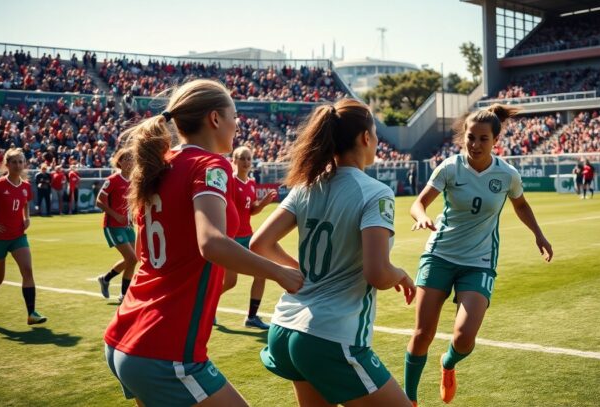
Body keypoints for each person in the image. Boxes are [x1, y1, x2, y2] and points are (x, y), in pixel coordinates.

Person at [103, 79, 304, 407]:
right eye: (234, 116)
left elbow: (145, 252)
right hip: (164, 348)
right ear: (214, 119)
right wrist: (279, 272)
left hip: (125, 335)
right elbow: (211, 242)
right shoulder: (211, 165)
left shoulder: (161, 162)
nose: (237, 125)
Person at [250, 99, 416, 407]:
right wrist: (402, 274)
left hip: (285, 327)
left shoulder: (306, 186)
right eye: (375, 133)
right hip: (329, 335)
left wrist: (300, 271)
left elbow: (260, 244)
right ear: (365, 138)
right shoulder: (376, 192)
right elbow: (378, 273)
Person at [403, 104, 553, 405]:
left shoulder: (507, 174)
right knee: (422, 333)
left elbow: (521, 205)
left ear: (494, 141)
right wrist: (420, 216)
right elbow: (418, 202)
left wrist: (538, 233)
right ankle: (410, 400)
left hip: (479, 262)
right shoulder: (450, 167)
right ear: (464, 137)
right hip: (440, 254)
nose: (475, 144)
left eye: (483, 139)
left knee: (464, 336)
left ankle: (448, 364)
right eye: (471, 137)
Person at [0, 148, 47, 327]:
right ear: (7, 165)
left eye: (21, 162)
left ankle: (31, 314)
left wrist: (27, 217)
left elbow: (25, 204)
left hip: (18, 237)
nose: (18, 165)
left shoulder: (26, 186)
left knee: (27, 270)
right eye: (14, 162)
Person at [219, 146, 277, 329]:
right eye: (242, 158)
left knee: (261, 274)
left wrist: (263, 203)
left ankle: (252, 318)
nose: (246, 162)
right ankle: (206, 306)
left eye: (248, 159)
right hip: (232, 239)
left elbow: (251, 210)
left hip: (248, 237)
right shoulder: (230, 183)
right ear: (234, 161)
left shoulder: (251, 183)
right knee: (230, 282)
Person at [96, 150, 136, 303]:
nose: (130, 162)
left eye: (132, 159)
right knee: (131, 258)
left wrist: (132, 216)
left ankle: (106, 280)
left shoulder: (133, 181)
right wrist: (115, 215)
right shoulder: (113, 180)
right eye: (126, 159)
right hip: (113, 225)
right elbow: (99, 201)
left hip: (127, 225)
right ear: (120, 162)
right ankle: (124, 294)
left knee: (133, 259)